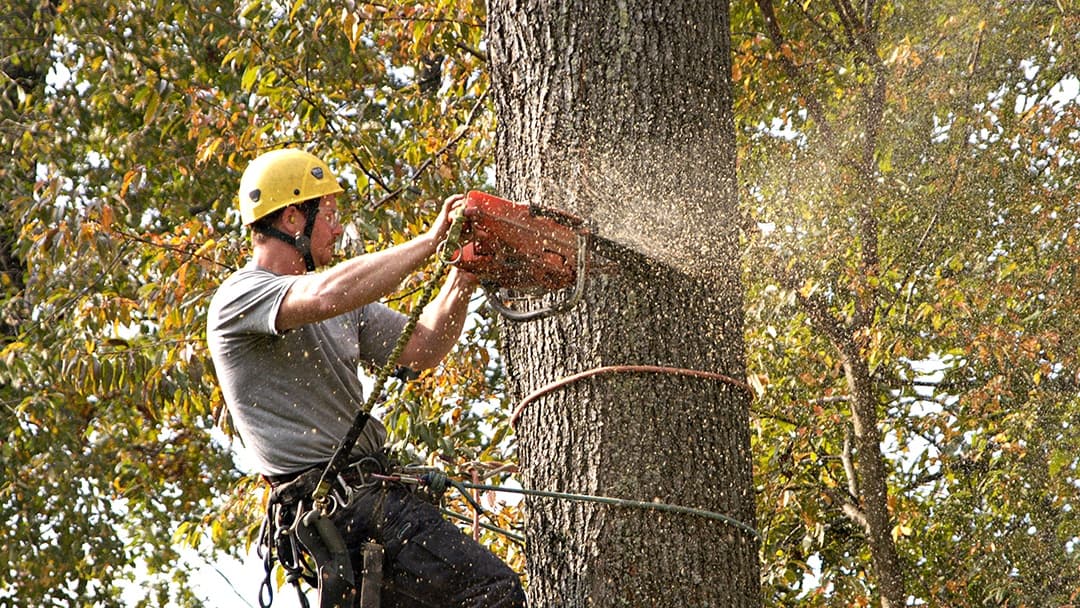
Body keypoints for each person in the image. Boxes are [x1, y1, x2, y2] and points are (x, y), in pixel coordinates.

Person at [206, 148, 526, 608]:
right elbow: (325, 294)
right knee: (492, 594)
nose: (337, 229)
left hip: (371, 502)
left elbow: (422, 347)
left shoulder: (341, 304)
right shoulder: (241, 297)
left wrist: (462, 275)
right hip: (343, 508)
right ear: (294, 217)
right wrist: (431, 240)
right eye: (330, 215)